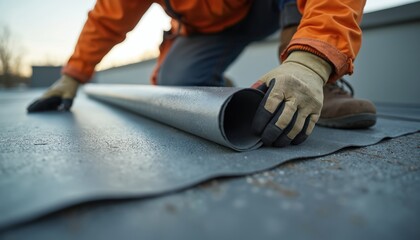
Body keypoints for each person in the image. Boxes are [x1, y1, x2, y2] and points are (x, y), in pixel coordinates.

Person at [27, 0, 376, 147]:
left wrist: (311, 62)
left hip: (268, 6)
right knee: (174, 87)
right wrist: (73, 75)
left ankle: (314, 84)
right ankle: (219, 91)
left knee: (305, 56)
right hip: (209, 27)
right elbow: (107, 18)